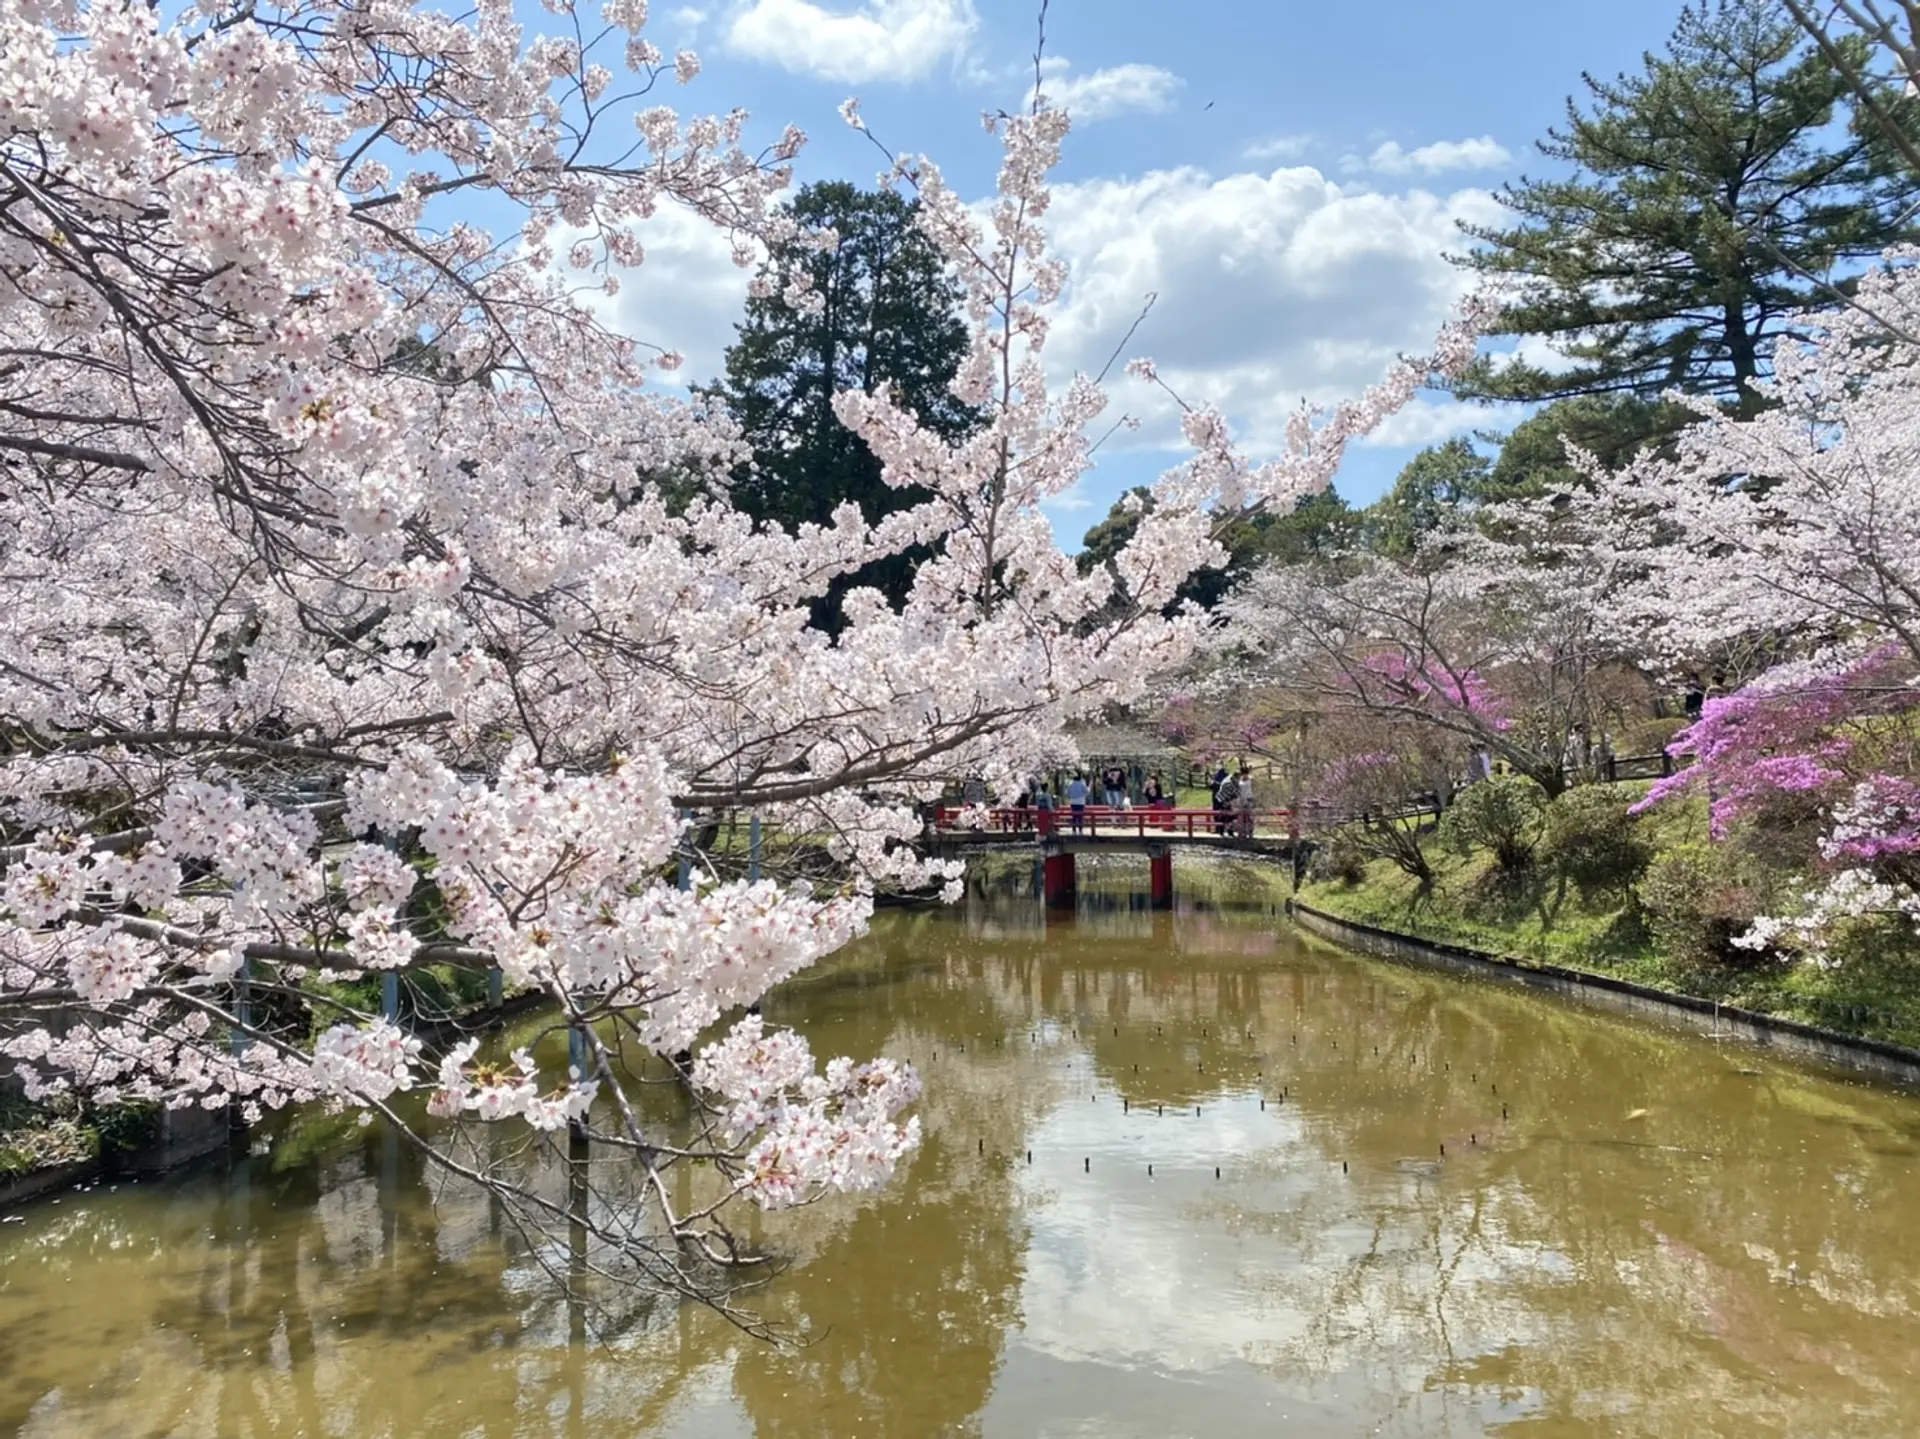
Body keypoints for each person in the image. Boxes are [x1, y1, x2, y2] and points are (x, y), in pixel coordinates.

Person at [1234, 765, 1256, 838]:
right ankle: (1242, 832)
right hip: (1241, 800)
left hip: (1249, 799)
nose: (1244, 775)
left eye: (1245, 773)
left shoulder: (1250, 780)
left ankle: (1250, 832)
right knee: (1242, 817)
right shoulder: (1240, 781)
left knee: (1249, 817)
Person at [1212, 763, 1232, 835]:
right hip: (1219, 797)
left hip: (1220, 797)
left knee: (1222, 813)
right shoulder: (1217, 774)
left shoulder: (1224, 775)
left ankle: (1221, 829)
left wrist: (1215, 783)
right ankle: (1220, 829)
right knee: (1221, 813)